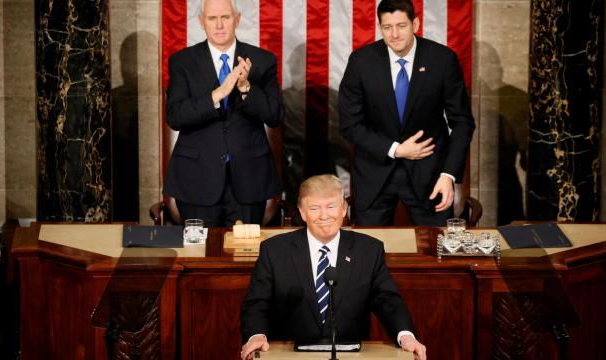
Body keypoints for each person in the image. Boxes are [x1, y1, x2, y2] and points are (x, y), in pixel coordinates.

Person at [240, 175, 427, 360]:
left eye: (331, 207)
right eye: (314, 208)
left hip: (350, 354)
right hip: (288, 354)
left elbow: (388, 301)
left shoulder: (369, 250)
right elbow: (257, 303)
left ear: (344, 209)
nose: (324, 216)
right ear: (302, 212)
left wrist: (405, 336)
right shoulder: (274, 250)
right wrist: (256, 335)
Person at [339, 0, 475, 226]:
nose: (394, 34)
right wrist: (396, 150)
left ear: (415, 23)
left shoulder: (442, 60)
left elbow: (462, 123)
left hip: (431, 177)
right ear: (380, 27)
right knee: (367, 254)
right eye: (387, 27)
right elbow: (349, 123)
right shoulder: (361, 62)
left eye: (401, 26)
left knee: (437, 251)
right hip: (375, 175)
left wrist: (448, 175)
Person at [164, 0, 284, 227]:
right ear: (201, 22)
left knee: (245, 258)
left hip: (249, 181)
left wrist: (246, 88)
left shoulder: (262, 60)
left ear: (237, 19)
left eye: (225, 18)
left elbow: (275, 115)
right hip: (196, 180)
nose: (219, 25)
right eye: (212, 18)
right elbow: (175, 116)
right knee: (199, 257)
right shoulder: (182, 62)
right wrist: (217, 94)